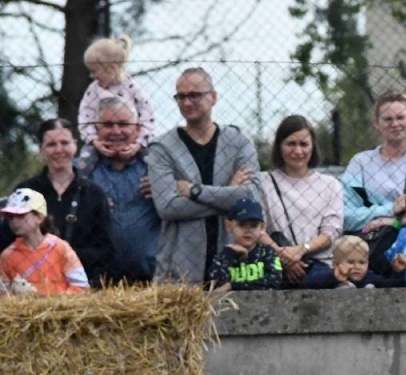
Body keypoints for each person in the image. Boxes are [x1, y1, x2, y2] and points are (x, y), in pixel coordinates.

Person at [147, 68, 259, 282]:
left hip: (234, 266)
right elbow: (168, 207)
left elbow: (251, 197)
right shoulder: (161, 148)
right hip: (179, 272)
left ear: (213, 97)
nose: (187, 102)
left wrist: (195, 192)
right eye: (181, 96)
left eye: (195, 95)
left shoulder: (238, 142)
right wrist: (228, 194)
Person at [76, 96, 159, 284]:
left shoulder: (155, 169)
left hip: (152, 280)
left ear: (137, 129)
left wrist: (165, 187)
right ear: (96, 129)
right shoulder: (81, 173)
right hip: (97, 282)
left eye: (123, 124)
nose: (116, 131)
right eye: (107, 124)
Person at [20, 119, 112, 286]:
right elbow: (10, 241)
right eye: (51, 144)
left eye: (64, 142)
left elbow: (106, 250)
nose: (59, 150)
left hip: (81, 284)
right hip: (33, 284)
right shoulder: (25, 192)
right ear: (41, 149)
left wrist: (65, 257)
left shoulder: (94, 194)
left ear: (75, 145)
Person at [341, 91, 406, 238]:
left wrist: (388, 221)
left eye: (400, 117)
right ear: (377, 123)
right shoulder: (360, 163)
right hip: (377, 247)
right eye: (387, 119)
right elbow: (344, 216)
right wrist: (390, 209)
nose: (395, 124)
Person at [257, 115, 342, 289]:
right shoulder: (264, 182)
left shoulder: (330, 184)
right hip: (275, 263)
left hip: (319, 265)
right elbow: (258, 229)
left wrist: (302, 250)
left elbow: (331, 231)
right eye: (291, 144)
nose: (298, 151)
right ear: (279, 146)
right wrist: (284, 256)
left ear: (313, 147)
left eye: (303, 144)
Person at [0, 188, 89, 295]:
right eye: (10, 217)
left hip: (64, 309)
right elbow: (4, 296)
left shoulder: (60, 248)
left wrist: (53, 300)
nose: (14, 221)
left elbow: (81, 287)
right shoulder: (8, 256)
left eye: (20, 215)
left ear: (39, 217)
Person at [76, 36, 156, 149]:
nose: (92, 76)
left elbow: (147, 116)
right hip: (100, 144)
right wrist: (93, 141)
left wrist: (139, 143)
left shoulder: (133, 88)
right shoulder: (93, 90)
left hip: (132, 144)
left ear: (111, 67)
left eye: (95, 71)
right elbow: (85, 117)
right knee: (85, 162)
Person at [207, 198, 283, 293]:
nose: (248, 230)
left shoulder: (266, 253)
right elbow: (214, 283)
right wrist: (228, 254)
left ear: (262, 227)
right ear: (229, 226)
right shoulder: (224, 256)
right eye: (242, 225)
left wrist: (232, 286)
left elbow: (274, 282)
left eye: (253, 225)